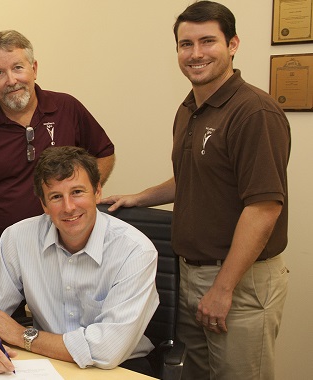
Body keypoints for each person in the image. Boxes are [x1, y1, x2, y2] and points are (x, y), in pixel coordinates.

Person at [101, 2, 291, 379]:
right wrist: (139, 197)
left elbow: (264, 208)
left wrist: (223, 289)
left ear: (233, 44)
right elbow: (195, 176)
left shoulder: (254, 112)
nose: (196, 53)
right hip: (192, 275)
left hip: (239, 281)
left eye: (208, 41)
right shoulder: (191, 107)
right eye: (186, 44)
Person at [0, 30, 116, 318]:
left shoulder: (67, 108)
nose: (11, 80)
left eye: (18, 68)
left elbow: (104, 152)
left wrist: (84, 195)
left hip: (62, 249)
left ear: (34, 68)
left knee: (61, 328)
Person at [0, 146, 158, 374]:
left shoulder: (135, 251)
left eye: (77, 192)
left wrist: (22, 335)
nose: (69, 207)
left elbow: (107, 350)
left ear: (97, 192)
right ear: (44, 205)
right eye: (56, 197)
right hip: (45, 363)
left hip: (118, 368)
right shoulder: (18, 237)